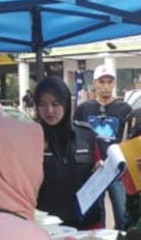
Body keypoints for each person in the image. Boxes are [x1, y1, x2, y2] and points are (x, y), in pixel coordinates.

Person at [34, 77, 102, 229]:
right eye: (43, 105)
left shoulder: (86, 134)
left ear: (66, 104)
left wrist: (100, 170)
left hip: (86, 222)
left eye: (55, 104)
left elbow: (98, 170)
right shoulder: (31, 137)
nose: (49, 111)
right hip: (47, 225)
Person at [76, 65, 133, 229]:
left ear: (114, 84)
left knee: (122, 214)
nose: (106, 86)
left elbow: (128, 138)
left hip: (117, 170)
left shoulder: (124, 109)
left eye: (109, 82)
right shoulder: (84, 109)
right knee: (96, 215)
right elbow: (78, 136)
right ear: (95, 83)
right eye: (102, 82)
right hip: (94, 169)